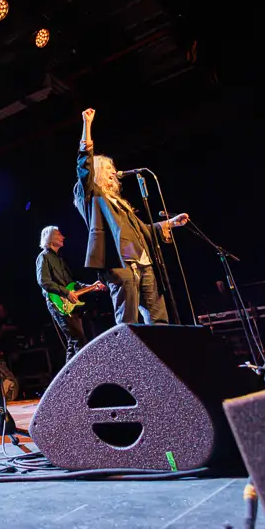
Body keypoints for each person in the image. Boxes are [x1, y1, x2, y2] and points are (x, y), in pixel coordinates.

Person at [74, 108, 189, 325]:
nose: (111, 171)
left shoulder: (121, 203)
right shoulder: (92, 196)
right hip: (121, 265)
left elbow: (142, 229)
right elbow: (84, 168)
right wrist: (87, 127)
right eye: (107, 168)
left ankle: (159, 357)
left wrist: (168, 224)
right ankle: (130, 358)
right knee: (128, 322)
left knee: (158, 319)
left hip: (144, 263)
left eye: (112, 168)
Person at [36, 226, 91, 362]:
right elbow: (44, 281)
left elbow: (71, 283)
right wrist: (65, 293)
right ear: (50, 238)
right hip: (58, 302)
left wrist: (92, 286)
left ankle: (71, 379)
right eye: (59, 234)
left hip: (69, 302)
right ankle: (78, 376)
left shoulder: (59, 259)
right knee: (77, 339)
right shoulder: (43, 257)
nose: (63, 237)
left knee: (75, 341)